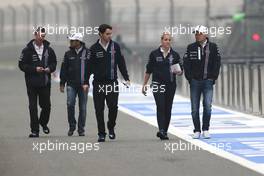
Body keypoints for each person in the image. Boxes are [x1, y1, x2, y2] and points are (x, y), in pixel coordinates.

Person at [88, 24, 130, 142]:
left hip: (112, 83)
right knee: (99, 109)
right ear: (100, 34)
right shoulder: (94, 48)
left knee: (113, 107)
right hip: (99, 84)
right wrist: (85, 81)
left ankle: (111, 126)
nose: (109, 36)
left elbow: (121, 63)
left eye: (110, 33)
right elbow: (89, 67)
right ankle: (101, 133)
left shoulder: (115, 47)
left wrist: (126, 78)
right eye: (107, 34)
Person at [142, 32, 182, 140]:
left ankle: (165, 131)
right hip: (157, 84)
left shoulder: (175, 55)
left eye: (169, 40)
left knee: (168, 108)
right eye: (165, 39)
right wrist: (144, 84)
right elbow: (149, 70)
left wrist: (179, 72)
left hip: (170, 84)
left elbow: (180, 70)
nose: (167, 41)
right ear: (161, 41)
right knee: (160, 106)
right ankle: (161, 130)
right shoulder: (154, 54)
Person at [183, 25, 221, 139]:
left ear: (205, 34)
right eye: (196, 33)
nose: (197, 35)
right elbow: (186, 63)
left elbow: (217, 63)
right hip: (195, 82)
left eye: (199, 33)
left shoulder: (213, 47)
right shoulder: (190, 47)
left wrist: (213, 77)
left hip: (208, 81)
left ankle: (205, 129)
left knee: (207, 106)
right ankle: (197, 130)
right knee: (194, 108)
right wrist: (190, 78)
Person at [18, 27, 57, 138]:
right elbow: (21, 65)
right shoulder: (27, 50)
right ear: (35, 34)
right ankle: (35, 130)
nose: (41, 38)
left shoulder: (49, 50)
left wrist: (50, 68)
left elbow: (54, 62)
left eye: (43, 36)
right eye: (40, 36)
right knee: (33, 107)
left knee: (46, 106)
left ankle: (43, 123)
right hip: (31, 83)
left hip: (45, 83)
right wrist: (34, 69)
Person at [60, 33, 90, 136]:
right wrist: (62, 83)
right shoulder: (68, 54)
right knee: (70, 104)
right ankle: (72, 126)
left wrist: (88, 82)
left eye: (72, 40)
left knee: (83, 107)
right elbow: (63, 69)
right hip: (71, 84)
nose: (70, 42)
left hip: (83, 85)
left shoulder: (88, 53)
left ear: (78, 42)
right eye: (70, 40)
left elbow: (92, 68)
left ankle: (81, 129)